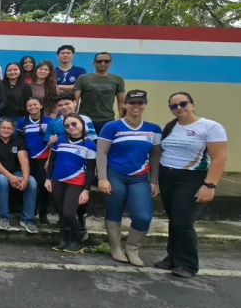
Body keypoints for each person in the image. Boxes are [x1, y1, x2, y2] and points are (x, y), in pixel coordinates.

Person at [154, 92, 228, 278]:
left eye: (183, 103)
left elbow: (219, 158)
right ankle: (172, 258)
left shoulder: (210, 127)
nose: (179, 108)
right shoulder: (170, 127)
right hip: (168, 177)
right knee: (175, 220)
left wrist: (210, 185)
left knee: (183, 222)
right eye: (174, 106)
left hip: (192, 178)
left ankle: (188, 264)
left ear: (193, 105)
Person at [97, 90, 163, 266]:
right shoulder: (112, 127)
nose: (136, 106)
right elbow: (101, 153)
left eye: (140, 103)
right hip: (115, 175)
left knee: (143, 216)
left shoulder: (154, 129)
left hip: (139, 178)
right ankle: (116, 247)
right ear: (124, 105)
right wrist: (102, 178)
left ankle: (133, 249)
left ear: (145, 105)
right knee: (114, 211)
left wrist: (154, 181)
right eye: (132, 103)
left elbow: (155, 157)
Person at [44, 113, 97, 253]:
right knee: (61, 212)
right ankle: (64, 239)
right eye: (67, 125)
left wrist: (86, 190)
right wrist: (48, 179)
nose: (71, 127)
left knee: (69, 212)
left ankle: (78, 239)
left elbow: (91, 171)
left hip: (76, 183)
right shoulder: (59, 140)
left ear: (82, 125)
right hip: (57, 181)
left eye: (74, 124)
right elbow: (52, 161)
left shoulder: (90, 145)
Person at [0, 118, 38, 233]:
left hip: (14, 171)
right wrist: (10, 176)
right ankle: (3, 216)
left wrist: (26, 178)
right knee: (2, 181)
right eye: (3, 127)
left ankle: (28, 219)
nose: (6, 130)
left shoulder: (18, 140)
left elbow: (24, 161)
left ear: (13, 130)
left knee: (32, 182)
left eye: (9, 128)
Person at [16, 97, 53, 224]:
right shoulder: (22, 122)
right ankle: (30, 211)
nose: (32, 107)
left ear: (41, 106)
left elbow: (53, 141)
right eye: (29, 105)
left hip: (43, 159)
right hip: (28, 159)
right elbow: (19, 139)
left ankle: (43, 213)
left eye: (35, 105)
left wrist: (50, 158)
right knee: (31, 186)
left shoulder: (50, 121)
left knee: (43, 187)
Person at [73, 52, 125, 133]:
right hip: (85, 119)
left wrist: (123, 120)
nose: (103, 63)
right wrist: (73, 118)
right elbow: (74, 101)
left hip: (107, 120)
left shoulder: (118, 79)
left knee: (106, 144)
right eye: (99, 61)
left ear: (111, 63)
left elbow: (121, 102)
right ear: (93, 63)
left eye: (106, 61)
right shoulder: (83, 78)